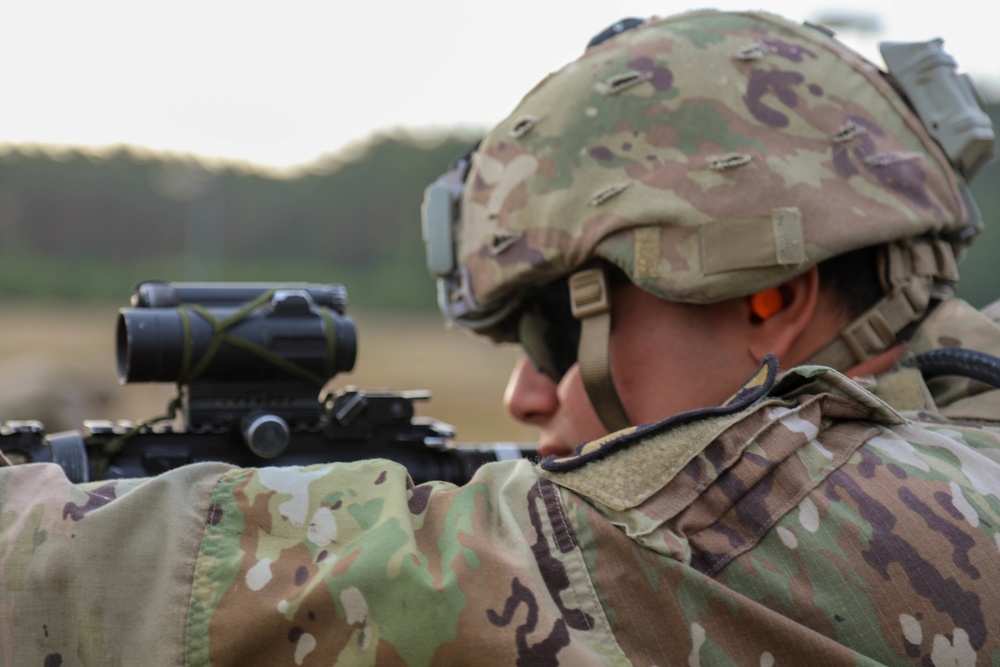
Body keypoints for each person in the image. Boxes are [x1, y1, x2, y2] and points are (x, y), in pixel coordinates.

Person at [2, 9, 998, 665]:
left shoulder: (875, 511)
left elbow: (436, 577)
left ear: (767, 296)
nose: (528, 394)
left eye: (561, 329)